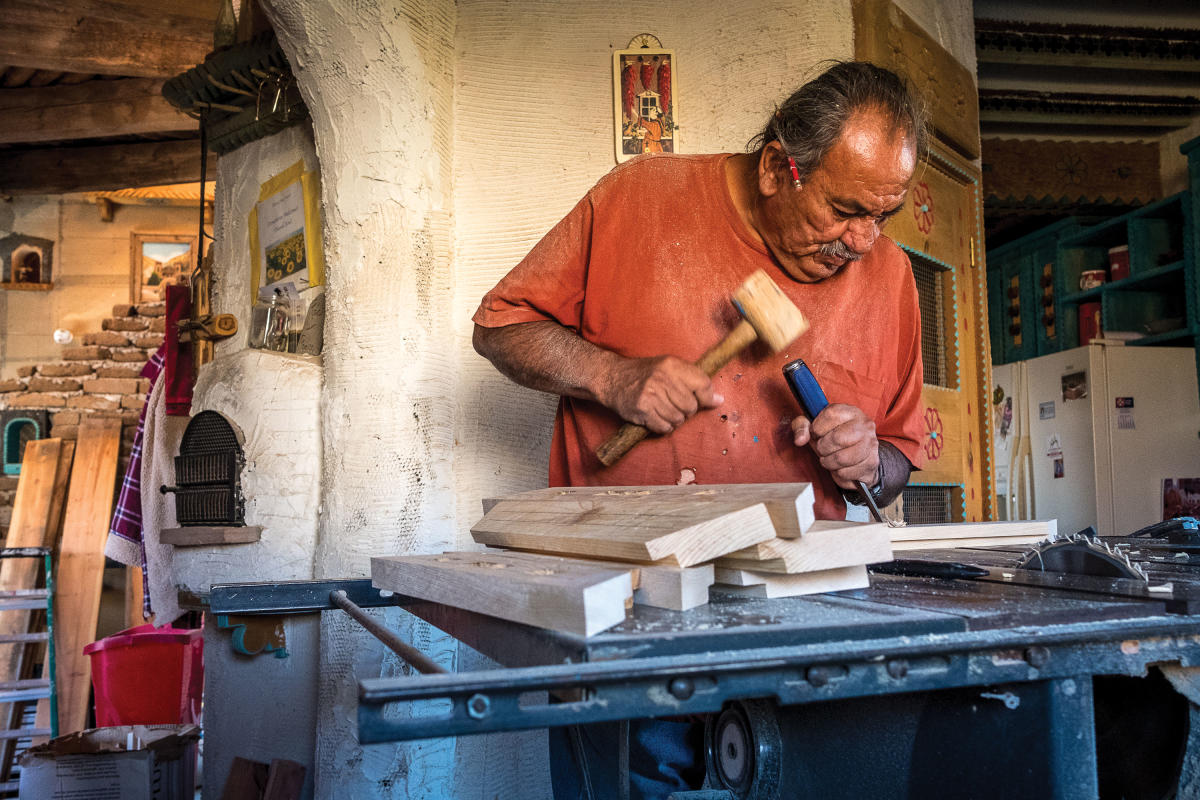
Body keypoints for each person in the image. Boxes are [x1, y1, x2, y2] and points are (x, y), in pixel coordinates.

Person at [473, 60, 928, 799]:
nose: (864, 240)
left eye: (885, 215)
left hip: (799, 624)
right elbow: (499, 328)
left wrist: (870, 462)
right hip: (624, 614)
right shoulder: (640, 199)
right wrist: (613, 378)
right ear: (782, 167)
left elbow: (901, 456)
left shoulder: (893, 278)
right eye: (847, 209)